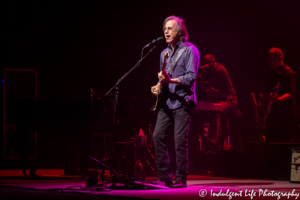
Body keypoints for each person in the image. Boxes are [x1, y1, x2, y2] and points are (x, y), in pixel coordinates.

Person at [151, 16, 200, 188]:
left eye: (170, 28)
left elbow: (191, 77)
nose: (166, 31)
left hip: (182, 101)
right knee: (157, 135)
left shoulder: (190, 50)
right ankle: (164, 175)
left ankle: (181, 178)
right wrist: (158, 85)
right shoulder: (163, 53)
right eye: (165, 28)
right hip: (166, 102)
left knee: (179, 140)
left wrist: (170, 81)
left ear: (180, 31)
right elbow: (165, 77)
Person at [197, 54, 238, 148]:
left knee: (216, 111)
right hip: (219, 99)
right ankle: (197, 140)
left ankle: (212, 142)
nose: (205, 66)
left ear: (212, 62)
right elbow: (197, 81)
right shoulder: (207, 69)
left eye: (206, 64)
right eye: (203, 64)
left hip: (230, 99)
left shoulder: (219, 70)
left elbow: (208, 84)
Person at [263, 47, 296, 142]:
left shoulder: (289, 74)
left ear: (280, 58)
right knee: (270, 142)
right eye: (268, 59)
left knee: (284, 144)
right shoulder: (271, 75)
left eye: (271, 59)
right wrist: (264, 101)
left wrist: (278, 99)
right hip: (273, 116)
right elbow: (266, 92)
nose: (269, 62)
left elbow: (289, 94)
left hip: (286, 116)